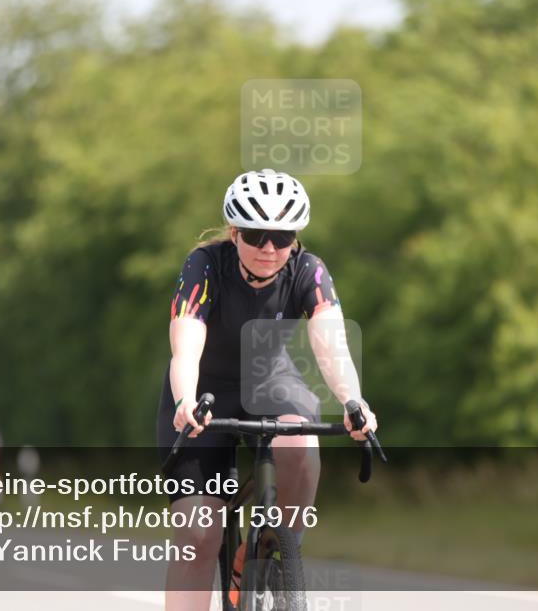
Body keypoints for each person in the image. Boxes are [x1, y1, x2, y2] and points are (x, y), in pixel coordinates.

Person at [156, 168, 378, 611]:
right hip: (204, 389)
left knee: (300, 441)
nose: (269, 248)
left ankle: (267, 552)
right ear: (235, 233)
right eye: (256, 235)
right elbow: (186, 346)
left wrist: (354, 402)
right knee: (198, 534)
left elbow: (331, 346)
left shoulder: (308, 271)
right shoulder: (204, 265)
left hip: (272, 380)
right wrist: (185, 400)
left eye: (282, 236)